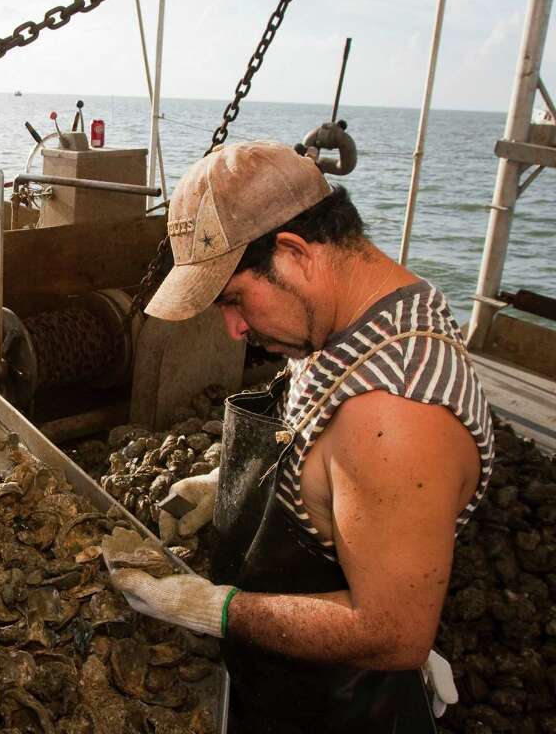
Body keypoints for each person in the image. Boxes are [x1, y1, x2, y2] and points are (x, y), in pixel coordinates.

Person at [110, 141, 492, 732]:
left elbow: (389, 633)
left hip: (340, 710)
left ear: (293, 252)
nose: (235, 329)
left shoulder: (394, 414)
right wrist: (228, 484)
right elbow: (320, 444)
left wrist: (214, 607)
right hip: (278, 683)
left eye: (234, 299)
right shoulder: (353, 322)